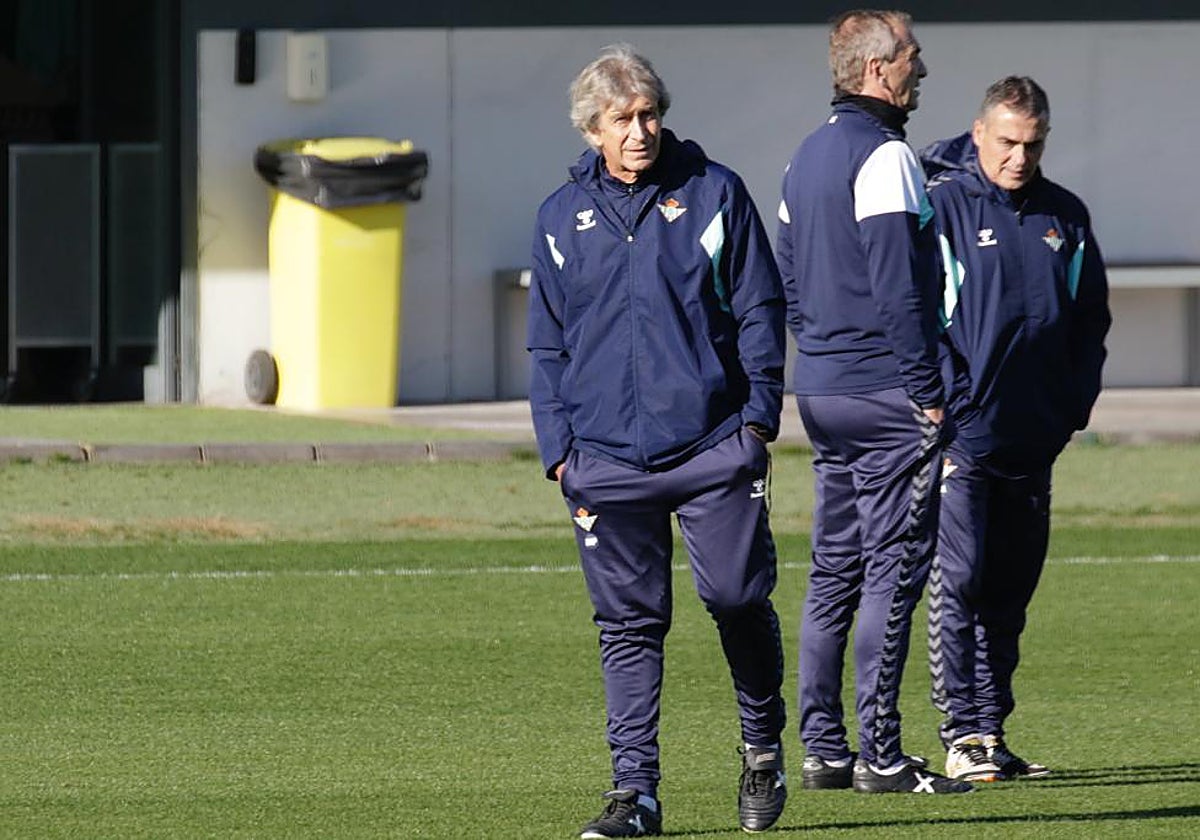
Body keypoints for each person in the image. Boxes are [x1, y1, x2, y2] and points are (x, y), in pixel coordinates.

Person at [528, 44, 790, 837]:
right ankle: (634, 793)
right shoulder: (557, 218)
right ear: (592, 130)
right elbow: (547, 344)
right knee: (630, 627)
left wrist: (756, 422)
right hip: (604, 461)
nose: (640, 131)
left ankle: (761, 746)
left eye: (649, 115)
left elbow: (761, 311)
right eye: (622, 120)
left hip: (714, 447)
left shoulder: (715, 194)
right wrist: (560, 449)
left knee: (736, 598)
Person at [776, 10, 971, 795]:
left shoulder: (805, 155)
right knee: (895, 570)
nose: (923, 68)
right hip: (886, 393)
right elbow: (899, 286)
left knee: (834, 569)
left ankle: (823, 748)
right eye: (913, 56)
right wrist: (925, 393)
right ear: (880, 70)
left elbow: (787, 273)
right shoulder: (885, 156)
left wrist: (819, 351)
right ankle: (881, 756)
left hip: (823, 388)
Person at [919, 76, 1111, 782]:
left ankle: (992, 729)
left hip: (1036, 436)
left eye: (1032, 144)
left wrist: (1074, 405)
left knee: (1010, 592)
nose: (1019, 157)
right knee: (960, 581)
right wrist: (949, 401)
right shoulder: (943, 208)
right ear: (979, 135)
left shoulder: (1066, 215)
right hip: (965, 439)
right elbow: (919, 317)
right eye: (1006, 142)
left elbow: (1089, 319)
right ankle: (960, 733)